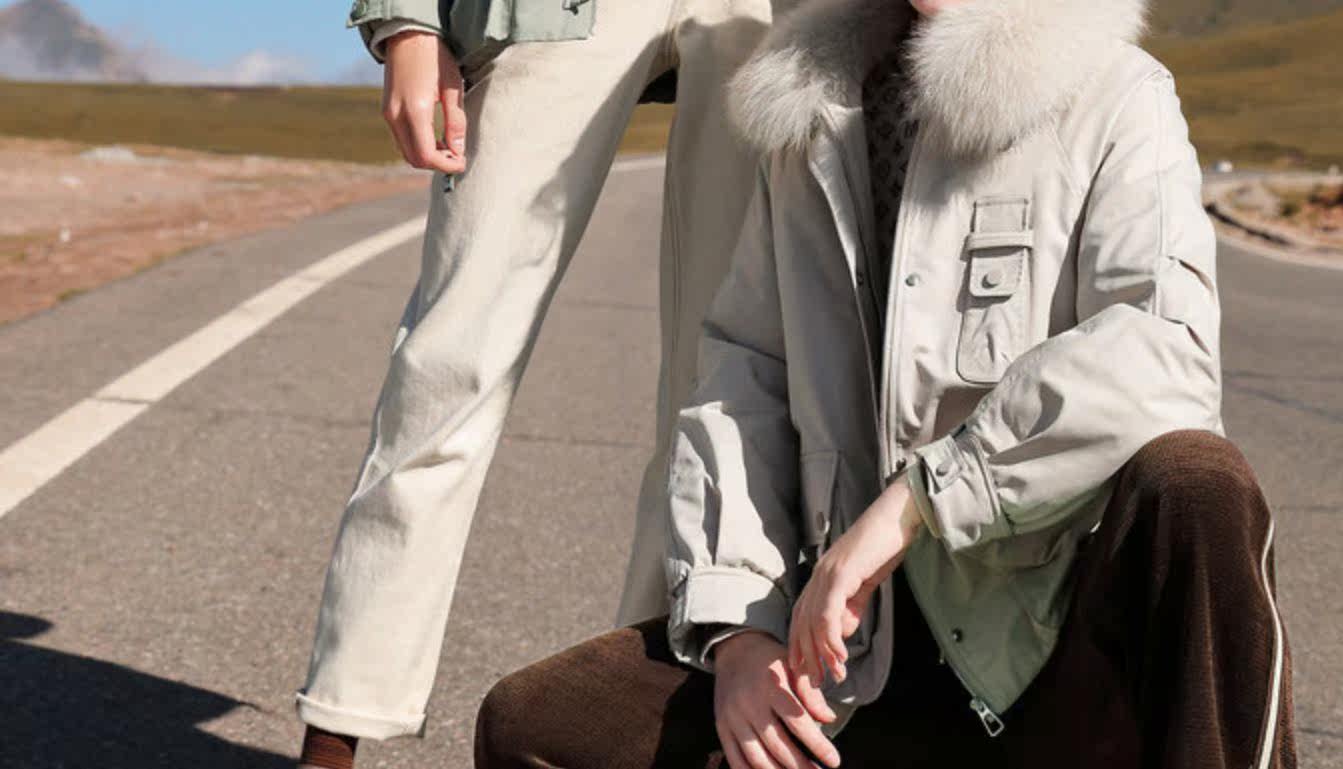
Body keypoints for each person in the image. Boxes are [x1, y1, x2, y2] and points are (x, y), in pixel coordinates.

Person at [470, 0, 1299, 767]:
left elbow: (1165, 350)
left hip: (1061, 666)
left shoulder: (1115, 92)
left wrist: (915, 503)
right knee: (533, 726)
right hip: (855, 669)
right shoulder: (813, 113)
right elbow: (746, 370)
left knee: (1200, 484)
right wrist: (742, 635)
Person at [295, 0, 781, 766]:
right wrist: (407, 21)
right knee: (449, 363)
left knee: (723, 389)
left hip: (762, 15)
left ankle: (646, 733)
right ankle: (338, 726)